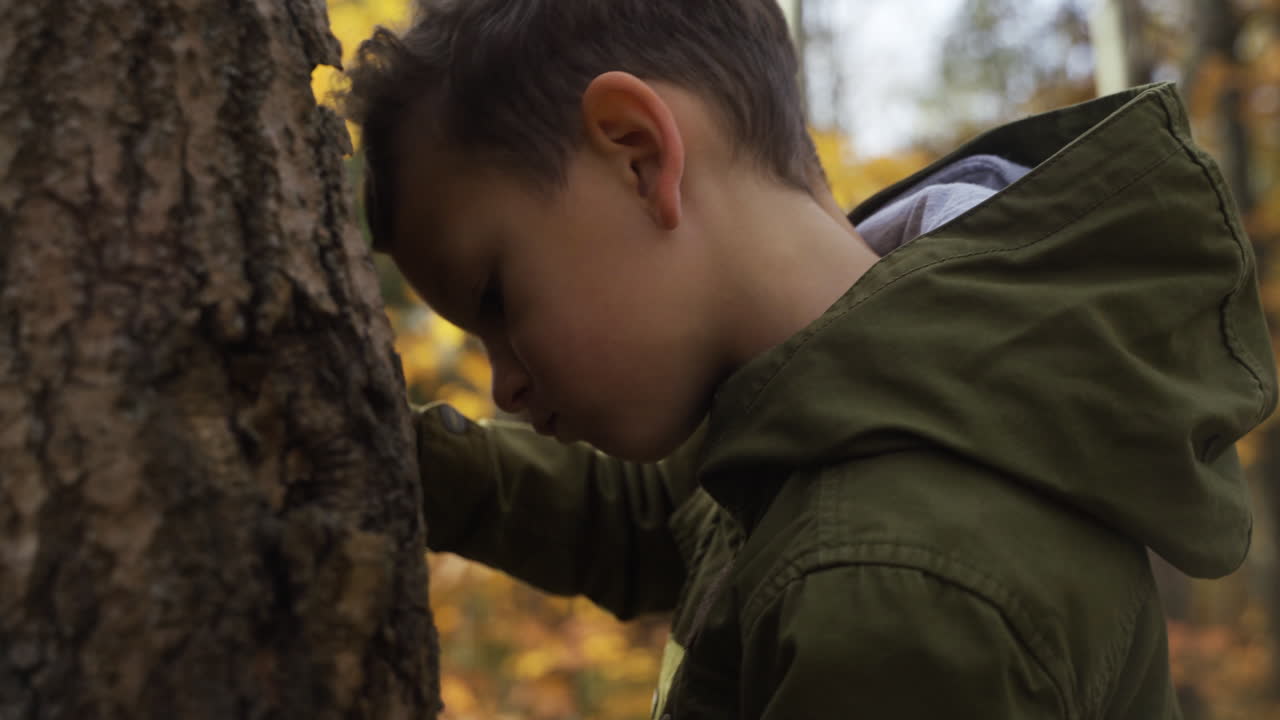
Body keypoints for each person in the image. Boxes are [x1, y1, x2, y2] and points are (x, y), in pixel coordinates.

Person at [339, 1, 1277, 717]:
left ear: (635, 155)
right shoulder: (871, 397)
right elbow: (648, 520)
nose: (503, 385)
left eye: (498, 300)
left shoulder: (894, 589)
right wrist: (372, 450)